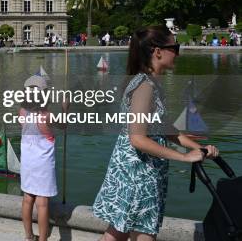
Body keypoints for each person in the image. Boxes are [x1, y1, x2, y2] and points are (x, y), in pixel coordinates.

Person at [93, 26, 219, 240]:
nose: (178, 52)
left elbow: (164, 127)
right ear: (157, 51)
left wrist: (197, 148)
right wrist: (184, 156)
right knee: (140, 232)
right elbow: (138, 138)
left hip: (135, 171)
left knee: (118, 232)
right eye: (175, 47)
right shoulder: (145, 86)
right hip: (138, 174)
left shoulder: (150, 83)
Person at [20, 75, 67, 241]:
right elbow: (64, 124)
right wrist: (65, 109)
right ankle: (43, 239)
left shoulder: (22, 112)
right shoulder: (46, 116)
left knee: (27, 199)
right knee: (42, 202)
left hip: (26, 162)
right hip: (42, 164)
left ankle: (28, 235)